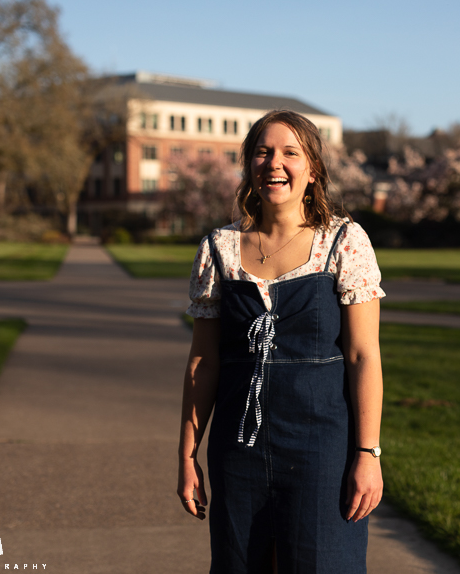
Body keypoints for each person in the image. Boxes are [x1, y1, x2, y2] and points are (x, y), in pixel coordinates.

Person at [177, 110, 385, 573]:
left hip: (321, 453)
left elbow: (363, 354)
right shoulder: (219, 250)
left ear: (312, 170)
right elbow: (202, 364)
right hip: (237, 453)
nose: (275, 163)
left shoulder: (344, 242)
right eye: (263, 152)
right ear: (249, 165)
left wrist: (368, 454)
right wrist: (187, 455)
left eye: (291, 153)